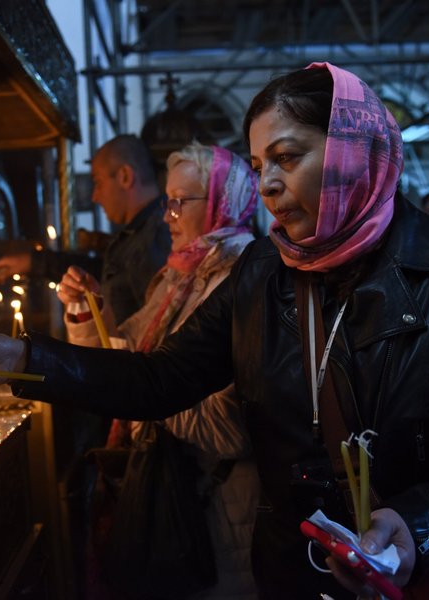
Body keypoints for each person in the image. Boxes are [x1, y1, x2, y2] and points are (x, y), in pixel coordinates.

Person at [0, 64, 429, 598]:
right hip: (290, 573)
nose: (269, 184)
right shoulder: (263, 270)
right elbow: (161, 378)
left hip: (426, 576)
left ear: (352, 150)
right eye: (258, 164)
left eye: (287, 157)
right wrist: (23, 359)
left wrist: (421, 528)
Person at [58, 141, 260, 598]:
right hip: (173, 494)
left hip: (216, 514)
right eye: (166, 201)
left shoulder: (242, 279)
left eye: (179, 203)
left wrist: (144, 387)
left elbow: (229, 429)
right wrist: (86, 310)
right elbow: (123, 354)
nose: (166, 215)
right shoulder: (179, 275)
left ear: (220, 203)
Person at [0, 134, 172, 324]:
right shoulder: (140, 234)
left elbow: (156, 327)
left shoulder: (157, 236)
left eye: (98, 182)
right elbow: (106, 275)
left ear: (125, 176)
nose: (94, 196)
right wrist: (33, 262)